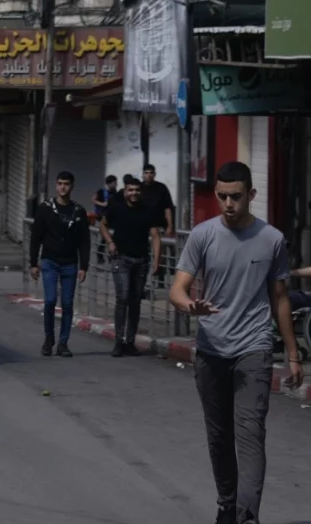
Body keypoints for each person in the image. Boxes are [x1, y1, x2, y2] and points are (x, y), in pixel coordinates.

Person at [170, 161, 303, 524]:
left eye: (236, 197)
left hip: (253, 348)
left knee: (250, 433)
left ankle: (247, 516)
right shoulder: (203, 235)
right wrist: (189, 305)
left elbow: (280, 298)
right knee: (219, 436)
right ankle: (227, 505)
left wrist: (293, 354)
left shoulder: (271, 239)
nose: (228, 204)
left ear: (251, 195)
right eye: (222, 196)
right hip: (211, 350)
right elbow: (178, 288)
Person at [97, 177, 161, 357]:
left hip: (141, 261)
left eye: (137, 190)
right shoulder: (116, 208)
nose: (134, 193)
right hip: (121, 259)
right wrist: (110, 242)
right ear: (125, 192)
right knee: (123, 297)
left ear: (141, 192)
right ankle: (119, 341)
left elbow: (155, 236)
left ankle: (130, 342)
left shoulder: (148, 210)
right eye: (130, 190)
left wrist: (157, 261)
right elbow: (102, 225)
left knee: (135, 301)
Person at [28, 171, 89, 358]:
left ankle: (63, 343)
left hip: (70, 263)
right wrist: (33, 263)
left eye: (67, 184)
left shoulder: (78, 211)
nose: (63, 187)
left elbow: (84, 241)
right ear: (56, 185)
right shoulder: (45, 208)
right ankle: (49, 338)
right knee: (50, 300)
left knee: (68, 304)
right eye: (60, 183)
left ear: (72, 186)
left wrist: (84, 266)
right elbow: (36, 237)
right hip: (49, 261)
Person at [92, 175, 118, 263]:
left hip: (110, 218)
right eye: (114, 183)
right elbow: (93, 199)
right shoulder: (101, 191)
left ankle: (111, 255)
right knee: (102, 238)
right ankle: (100, 255)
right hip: (101, 218)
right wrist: (103, 204)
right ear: (109, 183)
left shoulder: (115, 192)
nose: (116, 184)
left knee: (110, 237)